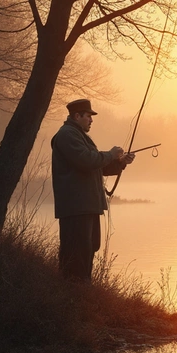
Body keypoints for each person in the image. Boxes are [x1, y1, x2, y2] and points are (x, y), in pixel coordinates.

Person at [51, 98, 135, 283]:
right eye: (88, 116)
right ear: (76, 116)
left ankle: (81, 291)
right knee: (76, 252)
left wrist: (119, 163)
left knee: (89, 248)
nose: (91, 120)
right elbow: (87, 160)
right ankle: (73, 291)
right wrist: (111, 154)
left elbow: (96, 166)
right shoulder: (67, 135)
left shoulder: (78, 135)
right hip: (76, 207)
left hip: (87, 205)